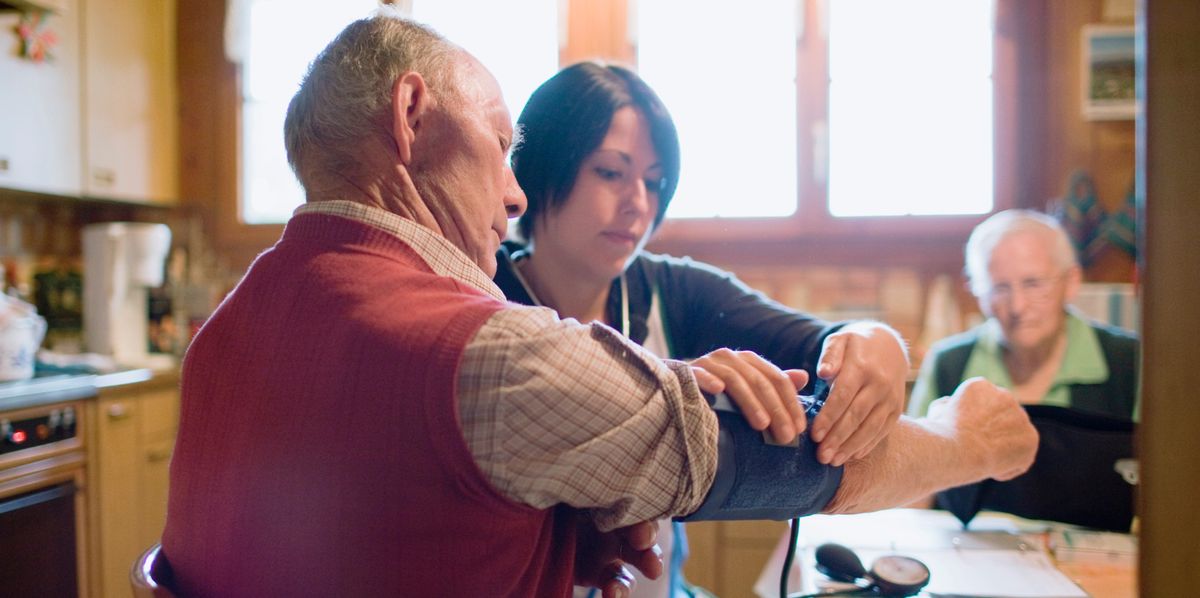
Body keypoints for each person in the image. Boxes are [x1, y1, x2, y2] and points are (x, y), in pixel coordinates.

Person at [162, 10, 1038, 597]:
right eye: (504, 146)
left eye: (653, 182)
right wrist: (968, 439)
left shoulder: (228, 332)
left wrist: (564, 526)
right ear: (411, 114)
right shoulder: (489, 354)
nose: (511, 192)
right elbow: (794, 466)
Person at [494, 61, 912, 597]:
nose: (638, 204)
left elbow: (820, 343)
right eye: (610, 172)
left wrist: (877, 345)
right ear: (542, 165)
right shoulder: (482, 285)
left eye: (654, 181)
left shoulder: (675, 289)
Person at [908, 209, 1138, 420]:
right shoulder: (947, 365)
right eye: (1000, 288)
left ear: (1071, 282)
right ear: (979, 294)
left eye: (1033, 284)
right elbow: (916, 461)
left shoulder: (1129, 362)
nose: (1017, 307)